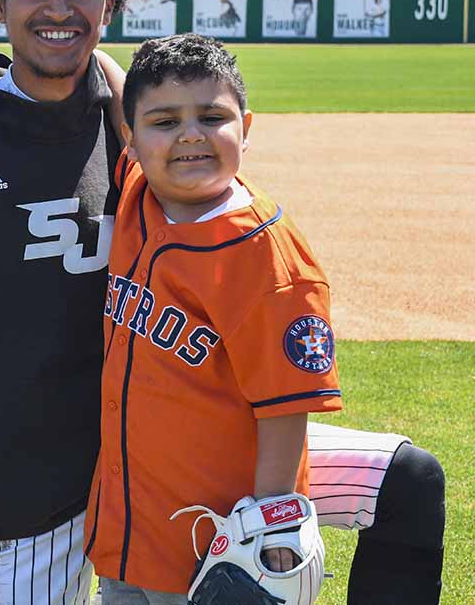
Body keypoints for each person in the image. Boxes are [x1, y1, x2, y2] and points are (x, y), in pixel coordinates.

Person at [0, 0, 445, 605]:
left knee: (407, 478)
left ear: (111, 3)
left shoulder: (130, 127)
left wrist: (276, 509)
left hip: (174, 466)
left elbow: (193, 163)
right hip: (22, 508)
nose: (58, 7)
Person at [84, 33, 343, 603]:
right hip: (133, 525)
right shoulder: (139, 191)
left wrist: (273, 519)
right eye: (165, 122)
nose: (190, 136)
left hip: (219, 542)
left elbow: (288, 403)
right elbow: (126, 93)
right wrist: (91, 55)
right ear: (131, 137)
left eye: (212, 117)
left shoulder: (267, 259)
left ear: (245, 128)